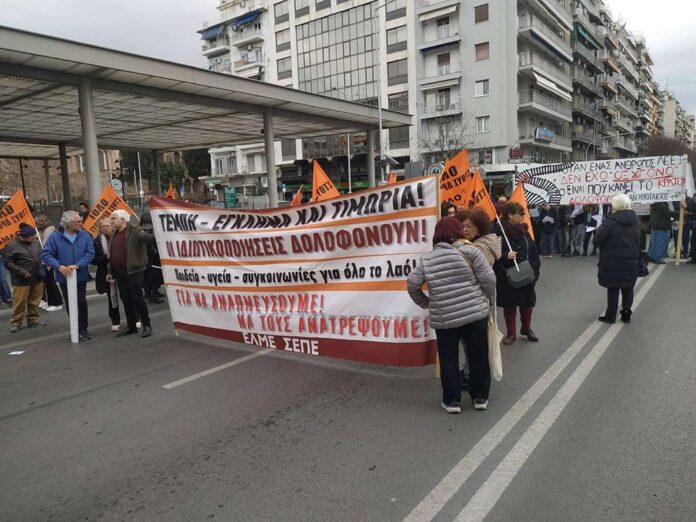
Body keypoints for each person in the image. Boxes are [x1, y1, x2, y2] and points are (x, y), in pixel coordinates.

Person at [407, 217, 496, 413]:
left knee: (448, 359)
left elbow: (412, 285)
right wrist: (484, 298)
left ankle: (452, 400)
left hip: (444, 317)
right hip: (474, 314)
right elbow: (489, 279)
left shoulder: (427, 259)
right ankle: (480, 397)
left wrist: (428, 304)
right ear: (458, 232)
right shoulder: (472, 251)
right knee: (478, 355)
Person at [41, 210, 95, 341]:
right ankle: (75, 328)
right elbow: (46, 254)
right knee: (70, 303)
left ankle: (83, 329)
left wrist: (78, 265)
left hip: (80, 275)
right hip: (64, 276)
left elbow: (90, 253)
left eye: (81, 221)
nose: (81, 223)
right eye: (78, 221)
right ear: (68, 223)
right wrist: (59, 266)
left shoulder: (85, 235)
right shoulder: (55, 237)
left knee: (81, 302)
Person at [495, 202, 541, 345]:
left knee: (527, 304)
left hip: (527, 274)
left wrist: (535, 270)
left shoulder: (525, 231)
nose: (523, 216)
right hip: (508, 276)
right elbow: (492, 254)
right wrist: (505, 255)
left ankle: (526, 329)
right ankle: (511, 333)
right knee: (510, 305)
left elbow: (533, 251)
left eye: (523, 213)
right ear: (510, 215)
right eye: (520, 214)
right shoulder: (498, 232)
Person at [593, 195, 640, 324]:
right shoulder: (635, 221)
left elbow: (597, 241)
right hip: (631, 259)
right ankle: (626, 314)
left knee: (613, 288)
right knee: (628, 287)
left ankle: (610, 315)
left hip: (612, 260)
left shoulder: (610, 222)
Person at [108, 209, 153, 338]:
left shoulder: (135, 230)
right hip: (120, 272)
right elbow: (112, 254)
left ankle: (147, 325)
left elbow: (147, 238)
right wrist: (110, 271)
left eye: (113, 218)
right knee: (126, 300)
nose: (111, 221)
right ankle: (131, 326)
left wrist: (153, 233)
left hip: (134, 271)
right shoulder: (114, 234)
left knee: (138, 299)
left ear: (123, 219)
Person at [2, 224, 46, 333]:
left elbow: (41, 255)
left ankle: (33, 320)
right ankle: (16, 322)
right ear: (23, 236)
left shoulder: (36, 242)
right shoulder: (11, 246)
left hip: (37, 277)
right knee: (20, 302)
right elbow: (7, 263)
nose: (34, 237)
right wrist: (21, 272)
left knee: (35, 300)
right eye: (31, 236)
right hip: (21, 280)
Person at [92, 219, 121, 332]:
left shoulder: (118, 237)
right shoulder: (96, 241)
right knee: (112, 297)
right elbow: (94, 260)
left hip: (120, 270)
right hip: (106, 273)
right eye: (103, 226)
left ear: (112, 226)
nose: (105, 228)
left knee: (127, 296)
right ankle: (115, 321)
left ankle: (135, 318)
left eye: (107, 226)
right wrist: (105, 257)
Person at [35, 214, 64, 312]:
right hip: (47, 260)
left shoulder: (48, 231)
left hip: (48, 261)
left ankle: (56, 302)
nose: (36, 225)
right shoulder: (45, 231)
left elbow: (45, 246)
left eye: (37, 223)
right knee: (48, 282)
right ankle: (51, 302)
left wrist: (47, 262)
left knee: (50, 282)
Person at [139, 212, 164, 305]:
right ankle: (152, 296)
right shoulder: (148, 232)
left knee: (149, 278)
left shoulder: (141, 230)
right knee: (154, 277)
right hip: (151, 257)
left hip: (148, 258)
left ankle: (151, 294)